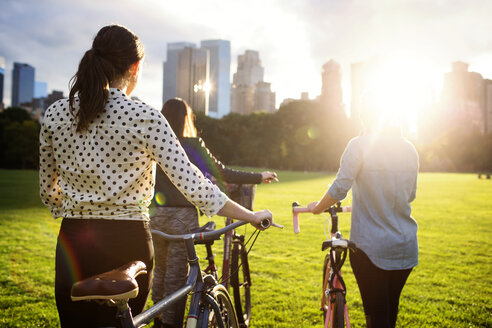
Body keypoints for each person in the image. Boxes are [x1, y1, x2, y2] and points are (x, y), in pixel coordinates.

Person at [39, 24, 273, 328]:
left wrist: (75, 209)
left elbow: (48, 191)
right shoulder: (144, 116)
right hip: (127, 242)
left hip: (73, 241)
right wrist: (251, 215)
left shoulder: (56, 114)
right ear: (134, 67)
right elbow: (195, 186)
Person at [151, 98, 278, 328]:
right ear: (185, 118)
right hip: (183, 217)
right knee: (176, 279)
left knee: (159, 271)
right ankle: (169, 324)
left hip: (156, 215)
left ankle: (157, 318)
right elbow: (222, 172)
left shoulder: (157, 141)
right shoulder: (191, 145)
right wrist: (258, 176)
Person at [306, 88, 419, 328]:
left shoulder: (359, 145)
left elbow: (339, 189)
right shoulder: (410, 149)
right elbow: (411, 194)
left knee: (375, 314)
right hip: (405, 246)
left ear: (365, 116)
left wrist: (317, 207)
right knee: (389, 313)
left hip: (371, 247)